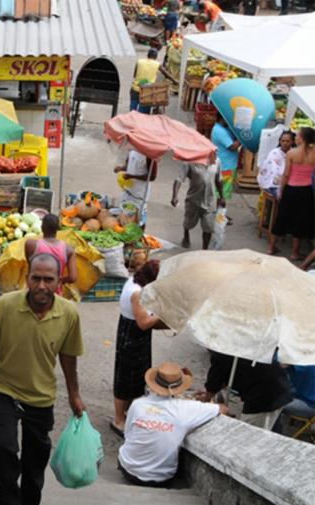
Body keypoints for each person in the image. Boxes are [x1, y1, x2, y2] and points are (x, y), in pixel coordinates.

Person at [0, 253, 85, 505]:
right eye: (36, 278)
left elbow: (68, 358)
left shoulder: (68, 314)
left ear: (59, 281)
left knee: (35, 464)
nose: (41, 285)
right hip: (4, 389)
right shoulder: (5, 306)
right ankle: (10, 496)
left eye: (48, 279)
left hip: (40, 396)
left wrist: (74, 395)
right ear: (27, 278)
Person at [118, 362, 224, 487]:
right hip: (161, 478)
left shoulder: (137, 404)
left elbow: (128, 434)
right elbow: (223, 409)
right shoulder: (186, 408)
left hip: (128, 469)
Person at [111, 260, 166, 435]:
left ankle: (128, 413)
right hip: (132, 336)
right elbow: (143, 323)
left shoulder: (135, 281)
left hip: (134, 334)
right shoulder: (136, 293)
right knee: (125, 379)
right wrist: (163, 314)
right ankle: (118, 420)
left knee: (136, 377)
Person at [198, 351, 292, 430]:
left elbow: (214, 383)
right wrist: (209, 393)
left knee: (249, 432)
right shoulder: (235, 348)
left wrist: (206, 398)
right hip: (278, 387)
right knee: (267, 425)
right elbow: (225, 377)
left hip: (267, 394)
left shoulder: (221, 355)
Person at [269, 127, 315, 261]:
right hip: (306, 191)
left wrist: (280, 190)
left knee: (281, 218)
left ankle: (271, 248)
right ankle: (295, 253)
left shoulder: (291, 153)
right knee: (300, 221)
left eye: (298, 135)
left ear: (302, 138)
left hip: (290, 189)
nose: (296, 137)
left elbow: (286, 174)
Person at [172, 153, 224, 250]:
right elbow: (179, 179)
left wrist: (222, 196)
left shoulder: (217, 161)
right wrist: (175, 196)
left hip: (210, 200)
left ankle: (204, 249)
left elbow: (219, 180)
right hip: (193, 199)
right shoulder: (189, 160)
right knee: (188, 221)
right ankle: (186, 235)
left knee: (208, 227)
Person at [24, 214, 77, 289]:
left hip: (34, 289)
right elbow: (72, 278)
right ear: (58, 229)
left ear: (42, 227)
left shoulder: (31, 244)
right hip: (54, 292)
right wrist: (55, 281)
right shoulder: (68, 249)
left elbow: (30, 266)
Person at [114, 149, 158, 229]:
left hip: (140, 196)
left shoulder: (149, 155)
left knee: (138, 223)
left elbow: (152, 176)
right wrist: (121, 168)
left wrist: (132, 176)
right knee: (123, 221)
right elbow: (128, 165)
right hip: (128, 192)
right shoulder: (132, 150)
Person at [211, 116, 240, 223]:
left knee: (222, 192)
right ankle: (220, 216)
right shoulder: (220, 131)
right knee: (222, 193)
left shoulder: (223, 128)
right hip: (225, 167)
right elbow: (232, 146)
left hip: (227, 165)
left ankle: (220, 214)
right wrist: (242, 139)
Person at [278, 365, 315, 435]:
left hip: (310, 405)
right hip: (307, 399)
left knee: (274, 403)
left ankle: (276, 433)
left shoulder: (300, 366)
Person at [258, 130, 295, 198]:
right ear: (280, 141)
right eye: (283, 141)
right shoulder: (274, 153)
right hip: (273, 185)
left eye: (287, 141)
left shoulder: (295, 154)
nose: (285, 143)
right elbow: (270, 171)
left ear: (292, 142)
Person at [130, 48, 161, 113]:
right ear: (156, 57)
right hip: (147, 90)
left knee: (133, 108)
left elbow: (134, 75)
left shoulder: (139, 61)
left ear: (147, 55)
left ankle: (132, 116)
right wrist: (175, 81)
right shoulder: (157, 64)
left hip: (135, 88)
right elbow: (167, 75)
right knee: (143, 112)